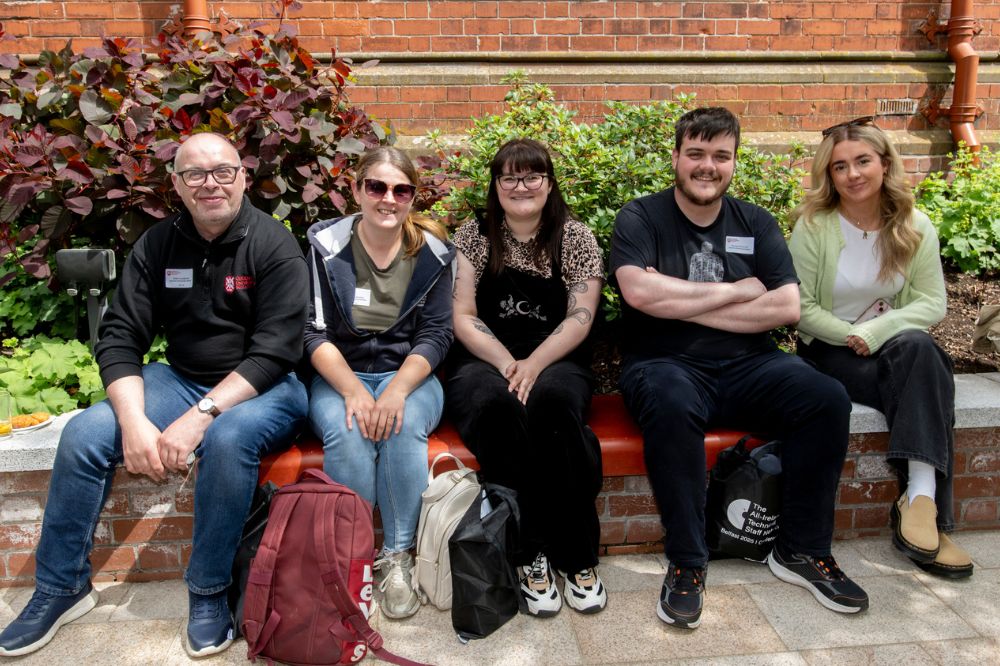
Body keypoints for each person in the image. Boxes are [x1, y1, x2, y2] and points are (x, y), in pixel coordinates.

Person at [0, 133, 309, 658]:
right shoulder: (158, 244)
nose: (209, 183)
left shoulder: (273, 245)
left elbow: (276, 351)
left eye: (222, 172)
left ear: (242, 178)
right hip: (182, 377)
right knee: (85, 432)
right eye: (195, 174)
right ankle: (60, 589)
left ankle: (208, 591)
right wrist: (134, 421)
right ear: (177, 185)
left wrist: (202, 415)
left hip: (265, 387)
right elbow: (120, 335)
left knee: (230, 437)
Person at [609, 107, 869, 630]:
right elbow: (638, 293)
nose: (708, 166)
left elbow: (786, 308)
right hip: (665, 364)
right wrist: (736, 291)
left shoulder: (756, 221)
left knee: (826, 398)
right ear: (677, 157)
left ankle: (802, 549)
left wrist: (676, 296)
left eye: (721, 156)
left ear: (733, 161)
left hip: (751, 364)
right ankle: (687, 561)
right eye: (697, 154)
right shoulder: (641, 217)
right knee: (672, 402)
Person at [788, 117, 973, 579]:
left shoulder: (913, 225)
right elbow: (799, 307)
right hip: (830, 352)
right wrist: (851, 334)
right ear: (828, 175)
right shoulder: (815, 226)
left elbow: (932, 302)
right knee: (929, 381)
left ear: (885, 163)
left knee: (919, 350)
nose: (853, 174)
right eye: (839, 167)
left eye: (862, 161)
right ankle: (927, 513)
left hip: (894, 349)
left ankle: (921, 499)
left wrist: (877, 330)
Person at [446, 138, 607, 617]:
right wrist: (505, 363)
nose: (521, 186)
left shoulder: (575, 238)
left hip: (556, 355)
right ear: (496, 187)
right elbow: (462, 311)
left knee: (554, 409)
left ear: (549, 182)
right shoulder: (472, 236)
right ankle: (528, 553)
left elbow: (582, 314)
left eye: (532, 175)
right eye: (509, 177)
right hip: (483, 356)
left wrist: (534, 364)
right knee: (495, 409)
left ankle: (577, 555)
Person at [305, 147, 454, 620]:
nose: (388, 199)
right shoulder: (324, 246)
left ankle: (397, 558)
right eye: (376, 187)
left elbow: (436, 333)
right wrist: (351, 390)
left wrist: (395, 390)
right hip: (339, 373)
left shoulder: (432, 253)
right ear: (356, 190)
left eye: (401, 190)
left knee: (403, 423)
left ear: (412, 197)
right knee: (348, 429)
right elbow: (312, 330)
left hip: (406, 374)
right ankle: (353, 562)